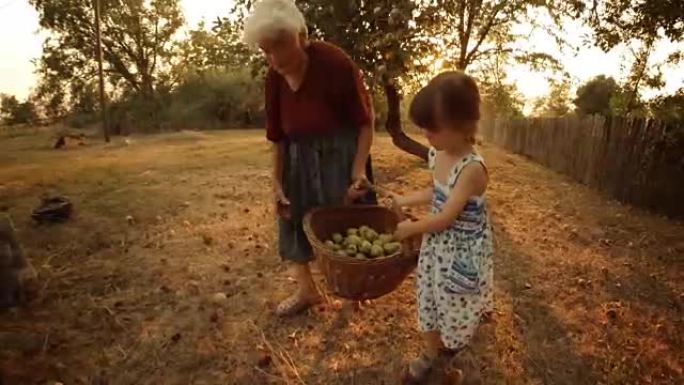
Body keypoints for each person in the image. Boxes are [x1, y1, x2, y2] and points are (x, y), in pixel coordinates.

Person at [242, 0, 376, 316]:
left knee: (345, 222)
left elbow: (366, 122)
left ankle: (352, 291)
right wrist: (276, 181)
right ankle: (307, 291)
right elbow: (276, 137)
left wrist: (357, 168)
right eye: (265, 51)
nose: (273, 58)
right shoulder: (273, 78)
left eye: (279, 46)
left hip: (339, 155)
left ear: (301, 36)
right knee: (292, 221)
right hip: (296, 157)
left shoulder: (335, 62)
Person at [392, 71, 494, 384]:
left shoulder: (472, 170)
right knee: (430, 300)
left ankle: (451, 352)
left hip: (459, 253)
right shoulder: (437, 154)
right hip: (437, 248)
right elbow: (435, 192)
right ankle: (431, 351)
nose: (425, 134)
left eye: (432, 128)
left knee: (455, 305)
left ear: (463, 126)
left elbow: (446, 216)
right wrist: (405, 199)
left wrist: (412, 229)